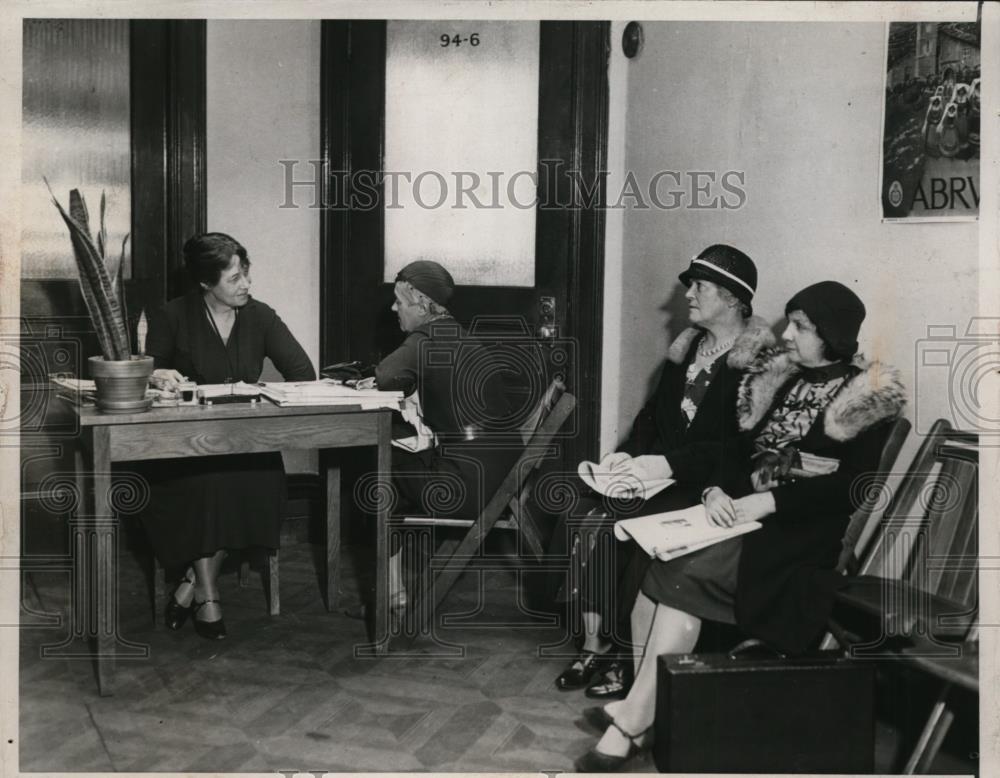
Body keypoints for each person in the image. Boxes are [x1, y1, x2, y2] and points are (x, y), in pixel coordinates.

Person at [575, 281, 905, 772]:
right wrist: (715, 491)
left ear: (832, 334)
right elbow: (736, 453)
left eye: (801, 326)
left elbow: (850, 490)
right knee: (652, 569)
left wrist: (766, 503)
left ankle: (634, 721)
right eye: (790, 322)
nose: (787, 334)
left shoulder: (865, 399)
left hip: (799, 535)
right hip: (743, 517)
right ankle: (653, 708)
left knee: (685, 573)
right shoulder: (782, 379)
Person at [551, 245, 773, 698]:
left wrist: (667, 464)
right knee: (587, 516)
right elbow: (653, 418)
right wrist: (626, 459)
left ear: (732, 298)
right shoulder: (689, 347)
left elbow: (740, 448)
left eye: (700, 287)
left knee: (630, 530)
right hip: (666, 476)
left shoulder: (759, 362)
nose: (688, 295)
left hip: (714, 486)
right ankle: (594, 644)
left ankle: (625, 662)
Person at [143, 232, 315, 640]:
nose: (246, 285)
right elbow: (148, 374)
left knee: (257, 482)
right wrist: (156, 375)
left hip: (246, 442)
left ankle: (192, 585)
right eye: (234, 278)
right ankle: (208, 597)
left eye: (245, 274)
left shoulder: (261, 316)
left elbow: (303, 373)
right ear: (206, 283)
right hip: (185, 446)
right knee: (207, 487)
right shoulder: (173, 316)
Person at [365, 259, 518, 609]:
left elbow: (386, 376)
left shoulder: (424, 338)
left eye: (400, 302)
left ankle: (392, 593)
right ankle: (394, 590)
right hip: (501, 476)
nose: (393, 309)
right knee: (400, 463)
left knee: (379, 472)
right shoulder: (460, 334)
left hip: (464, 487)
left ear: (420, 304)